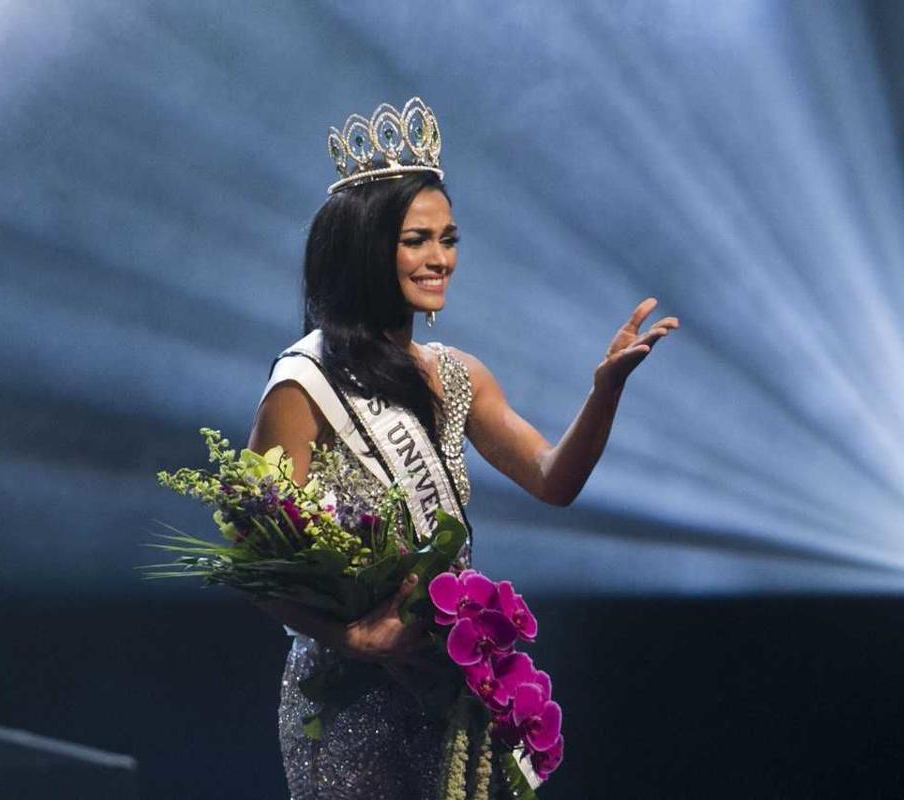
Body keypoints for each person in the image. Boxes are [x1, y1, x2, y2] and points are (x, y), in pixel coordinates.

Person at [246, 98, 678, 799]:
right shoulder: (305, 382)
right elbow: (252, 555)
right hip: (349, 698)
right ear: (365, 246)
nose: (440, 258)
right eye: (417, 239)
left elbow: (553, 477)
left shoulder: (457, 375)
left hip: (447, 696)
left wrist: (605, 392)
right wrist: (355, 638)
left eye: (449, 239)